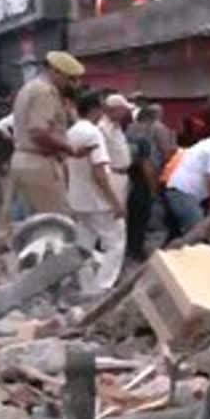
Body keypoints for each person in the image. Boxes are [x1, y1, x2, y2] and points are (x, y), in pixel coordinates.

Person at [10, 51, 94, 218]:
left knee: (31, 223)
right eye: (70, 79)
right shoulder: (46, 92)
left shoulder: (30, 87)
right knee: (57, 223)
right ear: (55, 71)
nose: (74, 84)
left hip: (23, 160)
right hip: (39, 163)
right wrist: (70, 148)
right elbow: (38, 132)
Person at [66, 91, 126, 298]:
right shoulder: (93, 133)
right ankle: (104, 286)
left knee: (84, 244)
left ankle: (87, 286)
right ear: (95, 109)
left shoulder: (71, 132)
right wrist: (115, 201)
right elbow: (99, 173)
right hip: (98, 200)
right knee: (116, 241)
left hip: (78, 198)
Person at [125, 106, 158, 261]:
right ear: (150, 120)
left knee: (130, 217)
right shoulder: (142, 138)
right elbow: (146, 166)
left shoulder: (127, 132)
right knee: (140, 218)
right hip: (140, 182)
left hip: (126, 180)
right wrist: (153, 189)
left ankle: (129, 248)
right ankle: (137, 251)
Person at [99, 94, 133, 204]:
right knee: (114, 212)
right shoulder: (102, 127)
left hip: (122, 175)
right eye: (123, 110)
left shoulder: (117, 126)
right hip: (112, 175)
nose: (126, 113)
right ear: (115, 109)